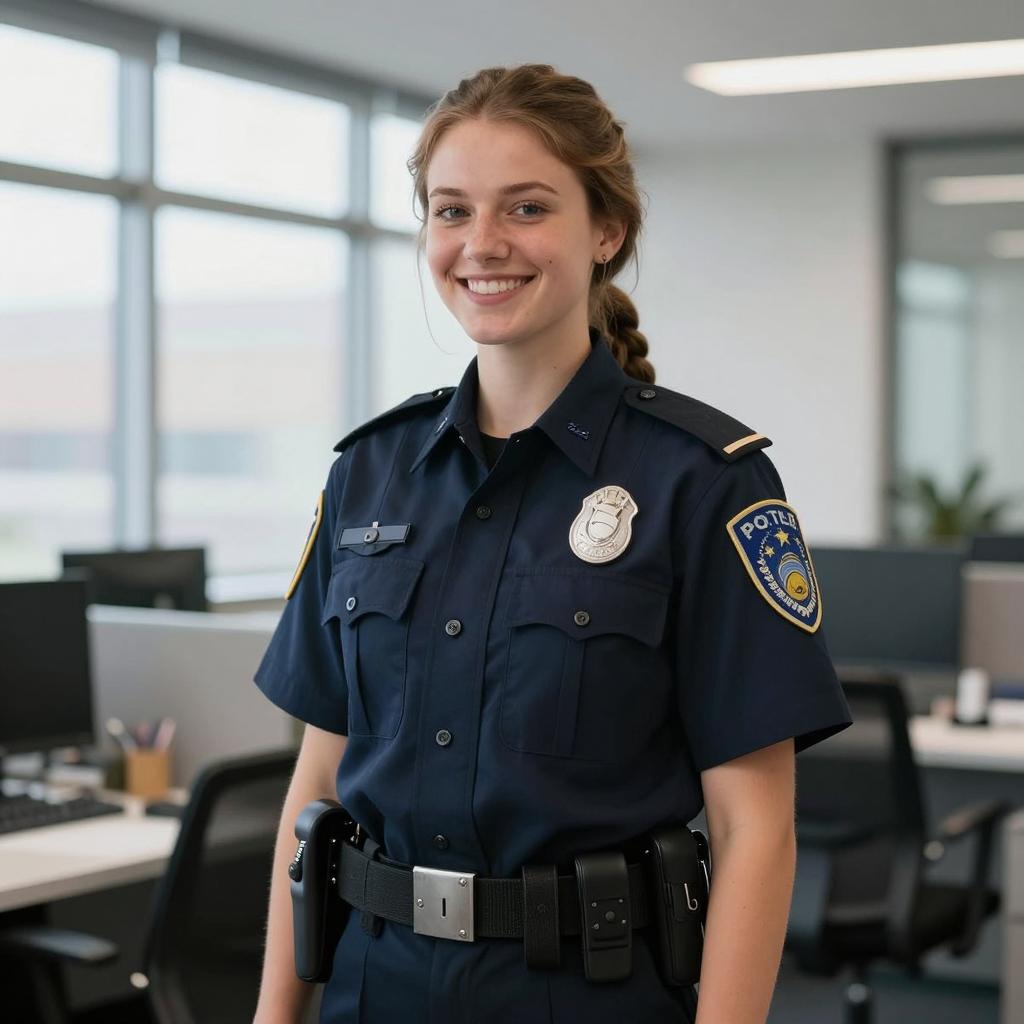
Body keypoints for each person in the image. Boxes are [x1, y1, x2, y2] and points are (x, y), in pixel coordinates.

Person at [251, 63, 852, 1024]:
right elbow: (316, 784)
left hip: (588, 993)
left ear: (605, 231)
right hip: (373, 989)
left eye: (526, 208)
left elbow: (755, 829)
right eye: (451, 211)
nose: (482, 244)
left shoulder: (705, 481)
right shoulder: (368, 474)